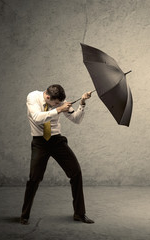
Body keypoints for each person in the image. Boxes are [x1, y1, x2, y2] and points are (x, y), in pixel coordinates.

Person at [20, 84, 94, 225]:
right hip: (40, 142)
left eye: (60, 102)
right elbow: (37, 117)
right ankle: (24, 215)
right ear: (47, 97)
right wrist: (59, 109)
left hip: (56, 141)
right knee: (34, 179)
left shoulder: (59, 102)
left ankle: (79, 213)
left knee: (76, 172)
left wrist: (82, 103)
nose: (58, 104)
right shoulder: (33, 97)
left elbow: (76, 119)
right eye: (55, 103)